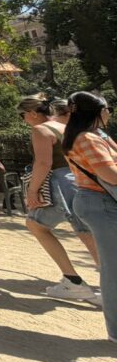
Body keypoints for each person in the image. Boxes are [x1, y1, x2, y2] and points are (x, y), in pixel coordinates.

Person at [17, 94, 101, 303]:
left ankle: (73, 280)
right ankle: (106, 282)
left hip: (58, 182)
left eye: (22, 115)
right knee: (87, 233)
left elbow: (43, 163)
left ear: (33, 113)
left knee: (35, 225)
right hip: (77, 180)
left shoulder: (40, 130)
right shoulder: (65, 127)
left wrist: (32, 190)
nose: (23, 119)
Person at [61, 92, 117, 342]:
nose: (109, 113)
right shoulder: (86, 139)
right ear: (96, 111)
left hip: (102, 201)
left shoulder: (95, 135)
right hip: (101, 202)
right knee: (113, 269)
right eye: (107, 108)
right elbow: (109, 173)